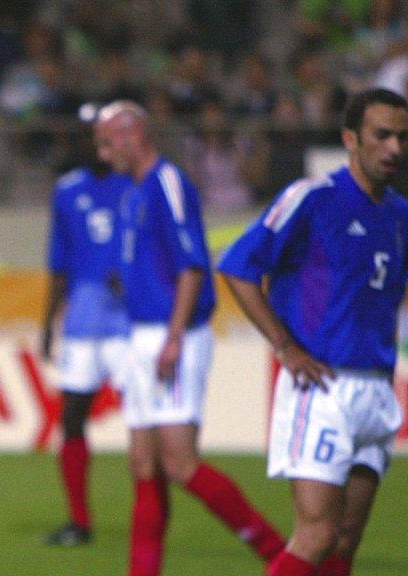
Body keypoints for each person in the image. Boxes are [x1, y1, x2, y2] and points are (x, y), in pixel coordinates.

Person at [218, 88, 408, 576]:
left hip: (375, 390)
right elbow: (239, 267)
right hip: (324, 386)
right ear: (351, 138)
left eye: (402, 137)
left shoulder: (400, 215)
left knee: (345, 543)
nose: (394, 148)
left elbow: (391, 291)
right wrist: (286, 347)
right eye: (382, 135)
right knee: (316, 534)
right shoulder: (311, 197)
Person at [93, 100, 285, 575]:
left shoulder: (168, 183)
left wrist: (175, 336)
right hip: (140, 335)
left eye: (108, 141)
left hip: (171, 335)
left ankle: (280, 553)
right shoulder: (134, 192)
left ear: (135, 134)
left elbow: (192, 265)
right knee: (144, 464)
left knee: (180, 462)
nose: (102, 153)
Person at [40, 126, 132, 546]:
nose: (100, 148)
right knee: (72, 418)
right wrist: (47, 324)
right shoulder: (67, 190)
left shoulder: (135, 184)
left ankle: (152, 517)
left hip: (131, 323)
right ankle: (79, 521)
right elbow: (58, 262)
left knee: (147, 422)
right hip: (81, 321)